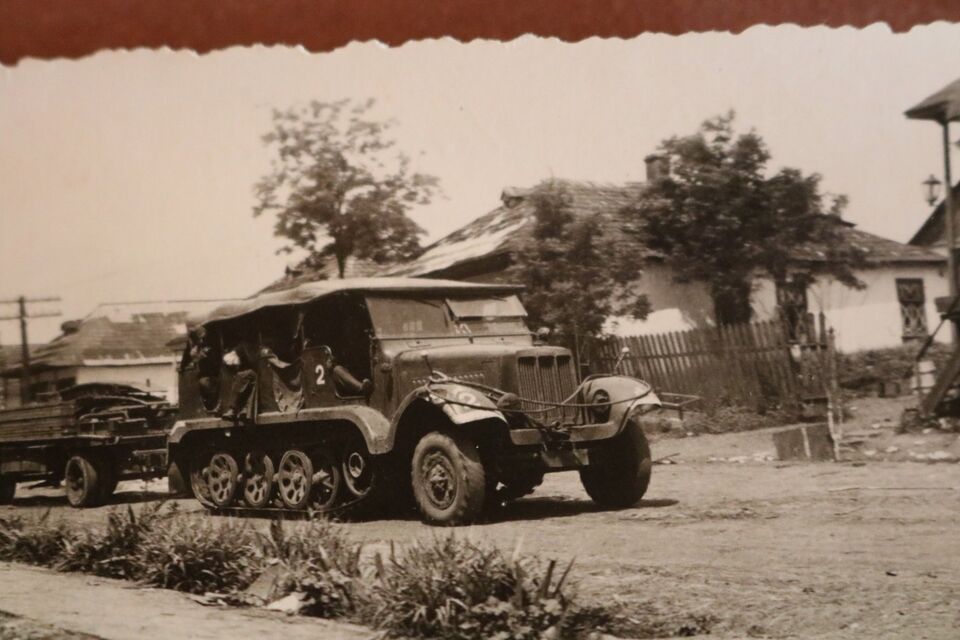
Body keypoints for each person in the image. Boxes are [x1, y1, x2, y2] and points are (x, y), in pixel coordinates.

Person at [221, 340, 258, 422]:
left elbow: (253, 360)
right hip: (251, 373)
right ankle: (244, 409)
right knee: (240, 377)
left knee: (243, 375)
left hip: (256, 372)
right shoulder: (241, 346)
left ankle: (232, 409)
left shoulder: (245, 345)